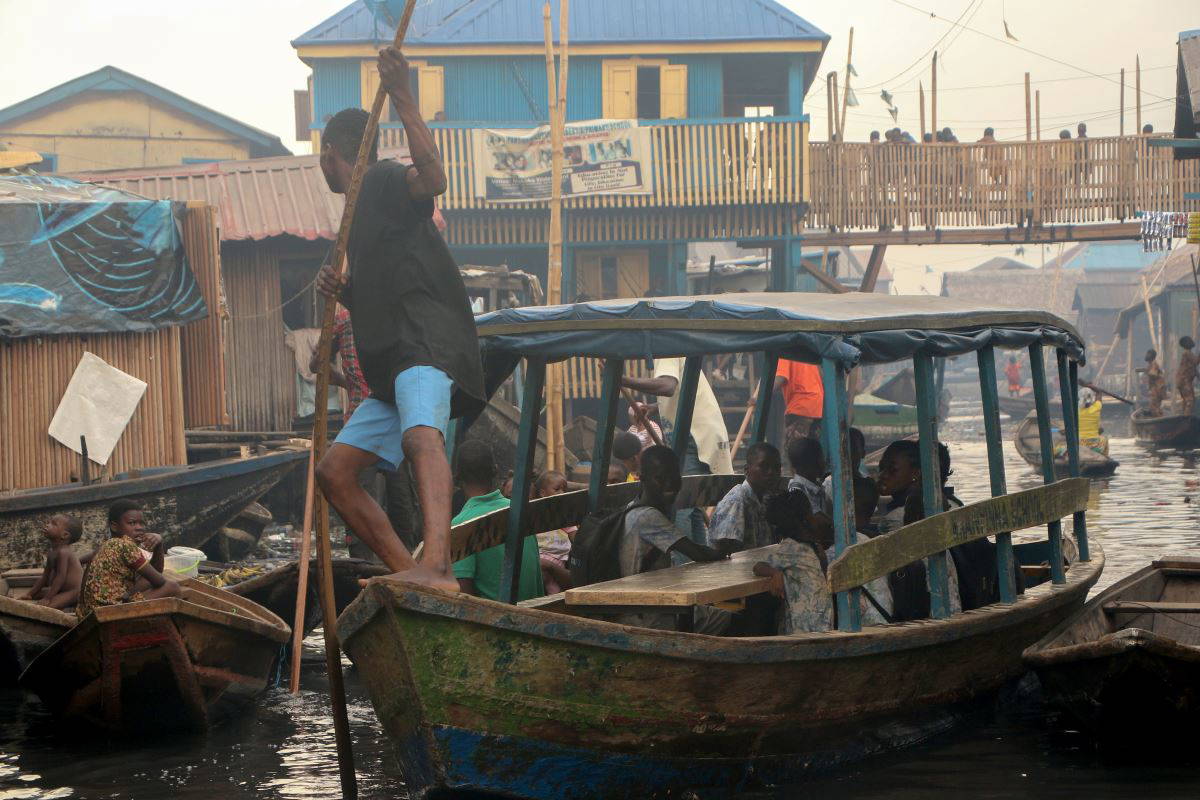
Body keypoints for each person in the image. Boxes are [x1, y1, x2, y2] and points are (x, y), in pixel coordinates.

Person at [314, 46, 486, 593]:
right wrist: (346, 292)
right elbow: (383, 292)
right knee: (333, 472)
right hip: (390, 372)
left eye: (323, 155)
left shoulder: (383, 179)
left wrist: (405, 95)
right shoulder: (356, 216)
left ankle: (437, 564)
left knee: (420, 439)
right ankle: (409, 570)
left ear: (331, 154)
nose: (322, 165)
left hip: (424, 347)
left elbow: (433, 178)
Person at [314, 306, 421, 556]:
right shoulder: (394, 312)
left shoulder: (342, 318)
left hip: (363, 422)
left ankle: (366, 566)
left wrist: (348, 382)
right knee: (402, 502)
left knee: (359, 501)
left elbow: (317, 364)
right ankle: (407, 561)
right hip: (396, 420)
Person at [618, 446, 739, 631]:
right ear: (642, 478)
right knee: (740, 622)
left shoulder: (632, 507)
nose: (669, 485)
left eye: (674, 479)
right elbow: (698, 553)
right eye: (660, 478)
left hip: (654, 605)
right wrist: (725, 549)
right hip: (651, 617)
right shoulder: (648, 517)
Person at [623, 358, 733, 543]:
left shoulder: (666, 352)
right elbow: (680, 393)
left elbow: (668, 386)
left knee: (680, 505)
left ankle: (683, 568)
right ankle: (698, 563)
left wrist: (623, 379)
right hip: (698, 434)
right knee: (693, 506)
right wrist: (653, 408)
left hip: (693, 437)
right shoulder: (675, 351)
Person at [450, 440, 543, 601]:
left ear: (457, 479)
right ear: (495, 470)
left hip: (499, 621)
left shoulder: (462, 523)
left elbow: (463, 595)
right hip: (534, 611)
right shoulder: (520, 511)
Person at [77, 501, 179, 620]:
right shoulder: (125, 545)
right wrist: (160, 540)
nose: (139, 528)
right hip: (108, 614)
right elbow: (160, 581)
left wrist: (158, 545)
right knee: (172, 587)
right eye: (132, 523)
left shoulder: (106, 545)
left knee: (144, 580)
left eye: (142, 523)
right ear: (114, 526)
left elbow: (154, 575)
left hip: (87, 613)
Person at [707, 442, 781, 552]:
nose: (771, 472)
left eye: (776, 468)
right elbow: (725, 554)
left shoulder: (767, 499)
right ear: (746, 470)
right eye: (764, 466)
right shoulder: (736, 501)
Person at [24, 514, 83, 610]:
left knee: (47, 608)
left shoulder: (63, 552)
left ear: (65, 535)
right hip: (60, 589)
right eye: (49, 522)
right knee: (36, 594)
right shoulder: (52, 552)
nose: (47, 525)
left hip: (73, 591)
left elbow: (61, 577)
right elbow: (45, 576)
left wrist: (47, 598)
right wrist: (29, 594)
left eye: (54, 524)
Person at [533, 470, 574, 594]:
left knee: (553, 592)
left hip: (557, 560)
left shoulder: (565, 516)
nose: (562, 493)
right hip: (537, 557)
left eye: (564, 489)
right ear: (542, 493)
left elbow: (576, 539)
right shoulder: (535, 515)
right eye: (557, 489)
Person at [767, 359, 823, 443]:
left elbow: (781, 378)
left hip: (800, 405)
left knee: (794, 449)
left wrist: (762, 395)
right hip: (816, 406)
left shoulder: (785, 353)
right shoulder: (804, 351)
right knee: (810, 449)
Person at [786, 436, 832, 520]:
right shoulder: (797, 491)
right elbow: (820, 520)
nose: (823, 462)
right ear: (807, 464)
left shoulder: (817, 489)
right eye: (820, 458)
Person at [1140, 349, 1166, 416]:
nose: (1146, 355)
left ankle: (1158, 420)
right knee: (1155, 406)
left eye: (1148, 353)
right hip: (1155, 388)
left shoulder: (1154, 364)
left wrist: (1146, 372)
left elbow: (1153, 374)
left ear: (1151, 355)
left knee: (1154, 407)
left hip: (1157, 388)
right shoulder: (1150, 364)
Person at [1177, 336, 1197, 416]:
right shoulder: (1187, 353)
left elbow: (1193, 368)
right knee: (1189, 400)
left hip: (1184, 381)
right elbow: (1196, 362)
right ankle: (1186, 418)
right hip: (1184, 381)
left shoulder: (1187, 353)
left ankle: (1185, 416)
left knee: (1187, 400)